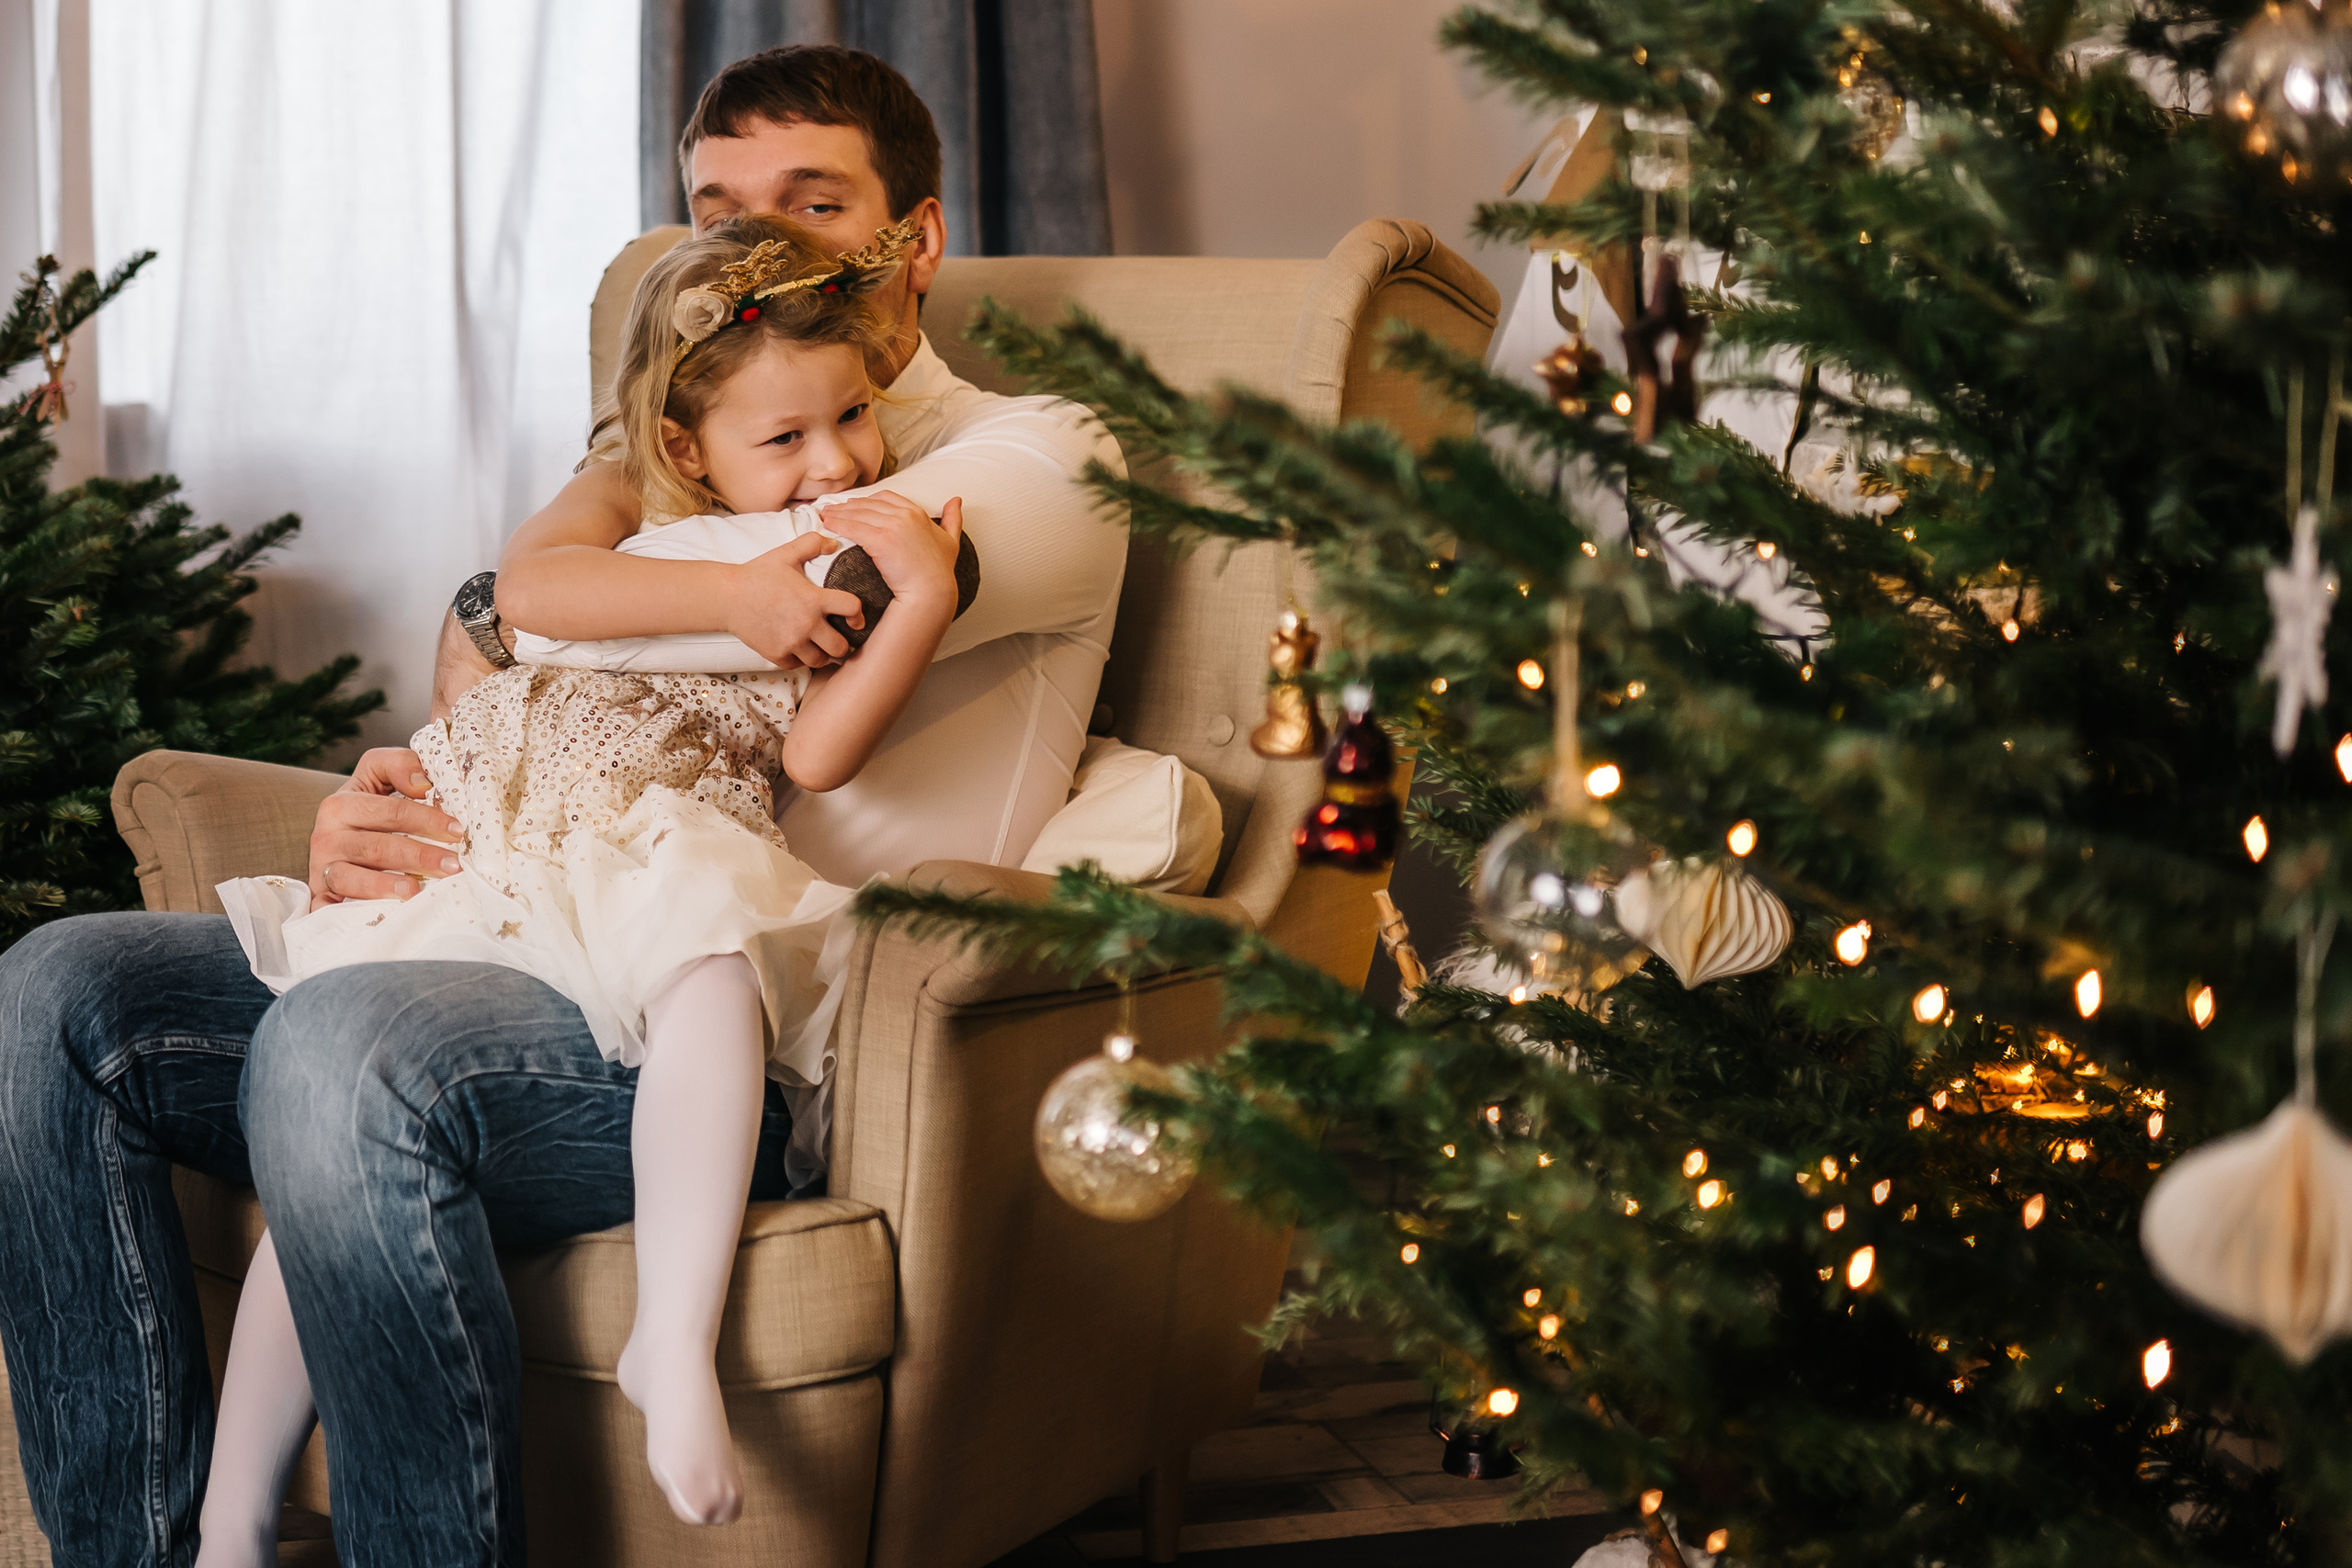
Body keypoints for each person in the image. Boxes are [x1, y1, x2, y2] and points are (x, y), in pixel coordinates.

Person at [0, 46, 1125, 1568]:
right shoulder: (668, 462)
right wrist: (404, 795)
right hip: (529, 931)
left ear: (911, 240)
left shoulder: (1041, 453)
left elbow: (776, 597)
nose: (754, 251)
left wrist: (534, 596)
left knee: (345, 1046)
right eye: (716, 211)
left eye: (810, 206)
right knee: (57, 988)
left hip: (738, 1027)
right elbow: (494, 671)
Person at [192, 214, 959, 1562]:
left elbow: (824, 753)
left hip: (660, 839)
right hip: (489, 831)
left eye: (854, 415)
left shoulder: (853, 549)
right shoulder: (633, 505)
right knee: (316, 1132)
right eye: (784, 439)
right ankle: (231, 1518)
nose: (834, 460)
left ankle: (674, 1339)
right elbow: (525, 588)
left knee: (714, 974)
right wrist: (729, 602)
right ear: (686, 446)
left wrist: (926, 604)